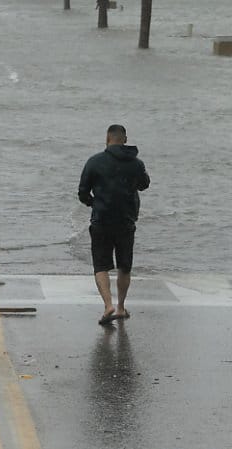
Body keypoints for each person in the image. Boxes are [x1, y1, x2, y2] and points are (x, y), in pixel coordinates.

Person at [78, 124, 150, 325]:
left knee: (100, 264)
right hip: (126, 221)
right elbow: (144, 184)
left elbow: (82, 192)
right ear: (124, 140)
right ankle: (120, 307)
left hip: (101, 220)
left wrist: (95, 203)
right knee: (124, 266)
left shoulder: (94, 162)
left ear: (107, 139)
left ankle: (108, 305)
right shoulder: (136, 164)